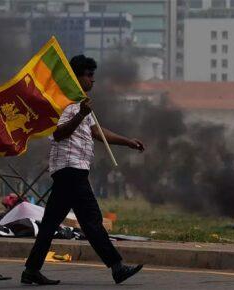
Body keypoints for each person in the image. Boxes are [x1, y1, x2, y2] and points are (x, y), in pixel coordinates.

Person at [22, 55, 145, 285]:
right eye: (88, 75)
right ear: (75, 78)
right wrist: (80, 114)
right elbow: (58, 133)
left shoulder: (81, 104)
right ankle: (117, 267)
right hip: (71, 170)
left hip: (71, 171)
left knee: (50, 224)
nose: (92, 80)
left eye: (92, 76)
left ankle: (31, 269)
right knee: (91, 220)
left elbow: (97, 132)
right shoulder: (67, 103)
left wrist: (127, 142)